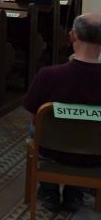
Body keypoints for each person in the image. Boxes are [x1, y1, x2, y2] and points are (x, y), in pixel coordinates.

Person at [24, 13, 101, 212]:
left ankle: (49, 191)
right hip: (95, 154)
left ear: (72, 36)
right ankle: (75, 192)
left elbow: (33, 117)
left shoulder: (48, 75)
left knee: (35, 127)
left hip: (52, 150)